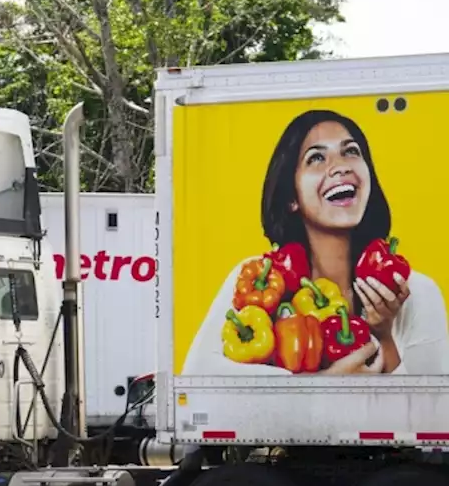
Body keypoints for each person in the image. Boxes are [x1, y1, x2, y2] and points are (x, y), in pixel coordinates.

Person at [182, 109, 449, 376]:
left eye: (351, 152)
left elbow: (430, 409)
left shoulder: (418, 291)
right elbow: (197, 375)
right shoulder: (255, 280)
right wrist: (325, 384)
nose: (341, 166)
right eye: (317, 157)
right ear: (292, 198)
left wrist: (384, 335)